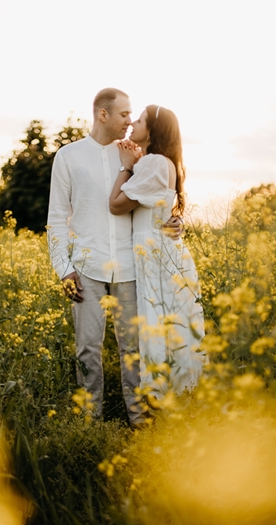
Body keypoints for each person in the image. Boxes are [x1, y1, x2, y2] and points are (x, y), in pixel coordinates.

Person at [47, 88, 173, 428]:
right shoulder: (68, 157)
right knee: (87, 350)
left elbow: (158, 199)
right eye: (123, 114)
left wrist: (175, 222)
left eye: (133, 115)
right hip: (86, 268)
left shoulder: (135, 155)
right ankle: (90, 426)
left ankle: (140, 424)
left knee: (133, 351)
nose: (129, 121)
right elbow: (57, 217)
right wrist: (64, 268)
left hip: (131, 267)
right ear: (103, 115)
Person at [109, 105, 205, 399]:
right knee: (169, 323)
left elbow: (116, 205)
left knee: (157, 322)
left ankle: (159, 398)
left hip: (154, 254)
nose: (132, 124)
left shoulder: (152, 163)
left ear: (152, 130)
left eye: (139, 120)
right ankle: (177, 397)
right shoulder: (159, 162)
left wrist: (126, 165)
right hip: (163, 250)